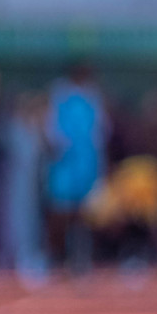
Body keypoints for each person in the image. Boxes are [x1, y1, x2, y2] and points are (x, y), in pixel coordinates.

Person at [43, 64, 109, 273]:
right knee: (60, 212)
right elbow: (50, 130)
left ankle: (81, 257)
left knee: (86, 213)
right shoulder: (59, 96)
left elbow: (101, 132)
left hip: (86, 163)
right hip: (65, 163)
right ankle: (57, 256)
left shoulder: (94, 97)